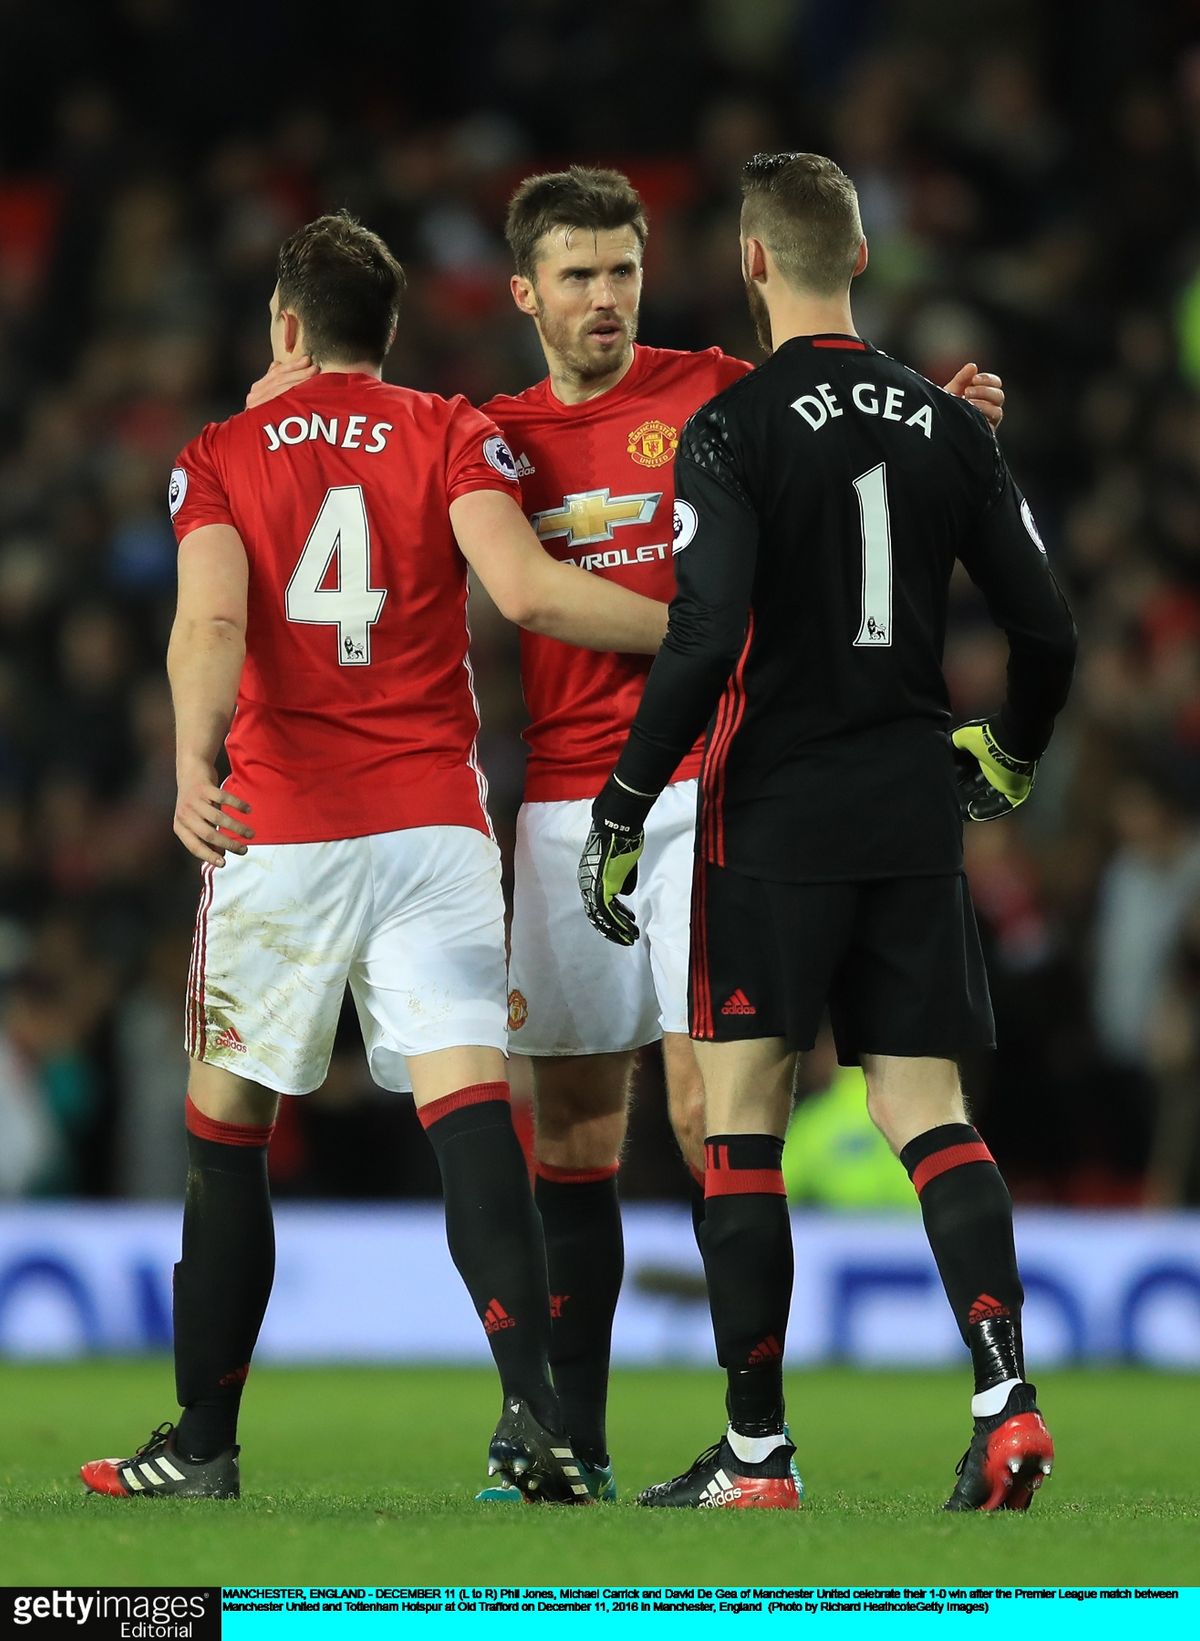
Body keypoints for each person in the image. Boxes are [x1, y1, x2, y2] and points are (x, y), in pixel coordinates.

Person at [248, 168, 1005, 1502]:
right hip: (559, 803)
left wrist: (941, 419)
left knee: (718, 1098)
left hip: (710, 785)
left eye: (623, 272)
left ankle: (750, 1435)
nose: (605, 299)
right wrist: (283, 408)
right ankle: (569, 1442)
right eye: (579, 277)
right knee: (574, 1131)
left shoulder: (714, 386)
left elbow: (842, 429)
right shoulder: (491, 432)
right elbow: (380, 497)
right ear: (526, 292)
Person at [79, 211, 669, 1504]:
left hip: (281, 833)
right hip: (431, 831)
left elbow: (214, 617)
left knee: (225, 1126)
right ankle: (537, 1415)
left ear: (285, 326)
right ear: (387, 331)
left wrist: (191, 762)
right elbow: (527, 593)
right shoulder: (450, 429)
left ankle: (202, 1442)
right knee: (469, 1113)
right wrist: (704, 637)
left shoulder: (222, 451)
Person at [579, 152, 1076, 1511]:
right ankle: (1006, 1400)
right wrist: (1013, 752)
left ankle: (755, 1454)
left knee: (740, 1114)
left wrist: (625, 799)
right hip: (914, 806)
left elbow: (702, 637)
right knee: (929, 1110)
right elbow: (1047, 630)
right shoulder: (951, 423)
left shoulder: (732, 429)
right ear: (857, 256)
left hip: (775, 811)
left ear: (750, 262)